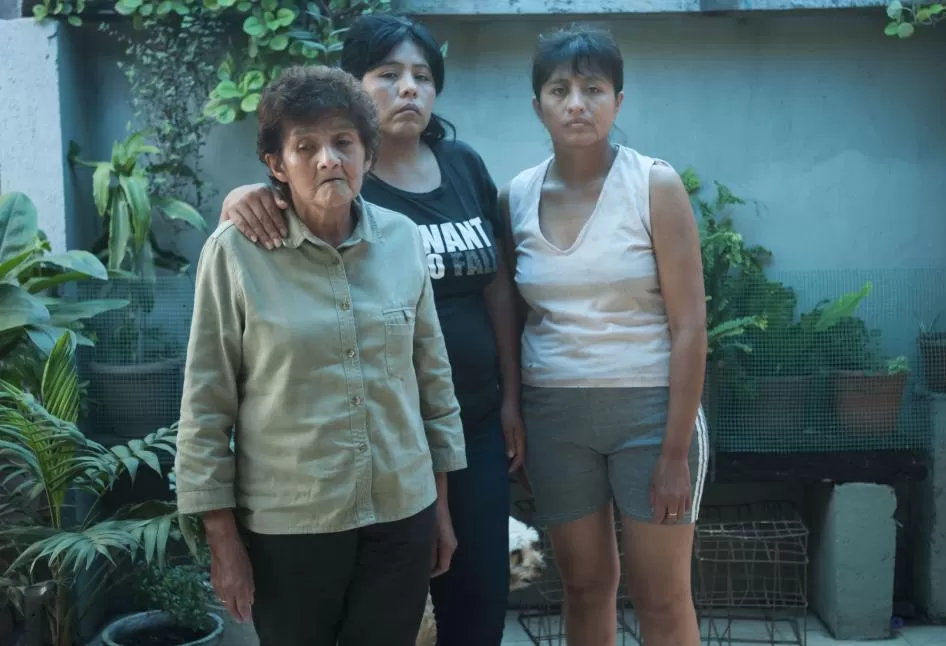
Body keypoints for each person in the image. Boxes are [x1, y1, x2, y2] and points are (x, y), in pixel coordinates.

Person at [216, 14, 525, 646]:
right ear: (352, 84)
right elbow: (286, 183)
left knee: (478, 604)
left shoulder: (463, 165)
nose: (408, 88)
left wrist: (513, 398)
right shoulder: (336, 183)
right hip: (376, 444)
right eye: (388, 74)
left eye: (421, 75)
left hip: (471, 425)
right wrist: (242, 196)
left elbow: (498, 284)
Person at [174, 64, 468, 646]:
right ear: (276, 165)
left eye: (343, 142)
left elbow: (433, 382)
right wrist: (222, 540)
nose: (329, 159)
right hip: (290, 524)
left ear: (368, 154)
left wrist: (439, 505)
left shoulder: (404, 240)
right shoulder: (235, 253)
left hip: (400, 516)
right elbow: (206, 405)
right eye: (305, 146)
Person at [499, 25, 709, 646]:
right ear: (537, 104)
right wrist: (516, 407)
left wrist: (674, 453)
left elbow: (691, 325)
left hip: (651, 412)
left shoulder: (654, 185)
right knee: (585, 588)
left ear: (619, 100)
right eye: (559, 89)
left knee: (662, 598)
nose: (576, 103)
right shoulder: (515, 196)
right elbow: (510, 314)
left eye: (594, 88)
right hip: (555, 417)